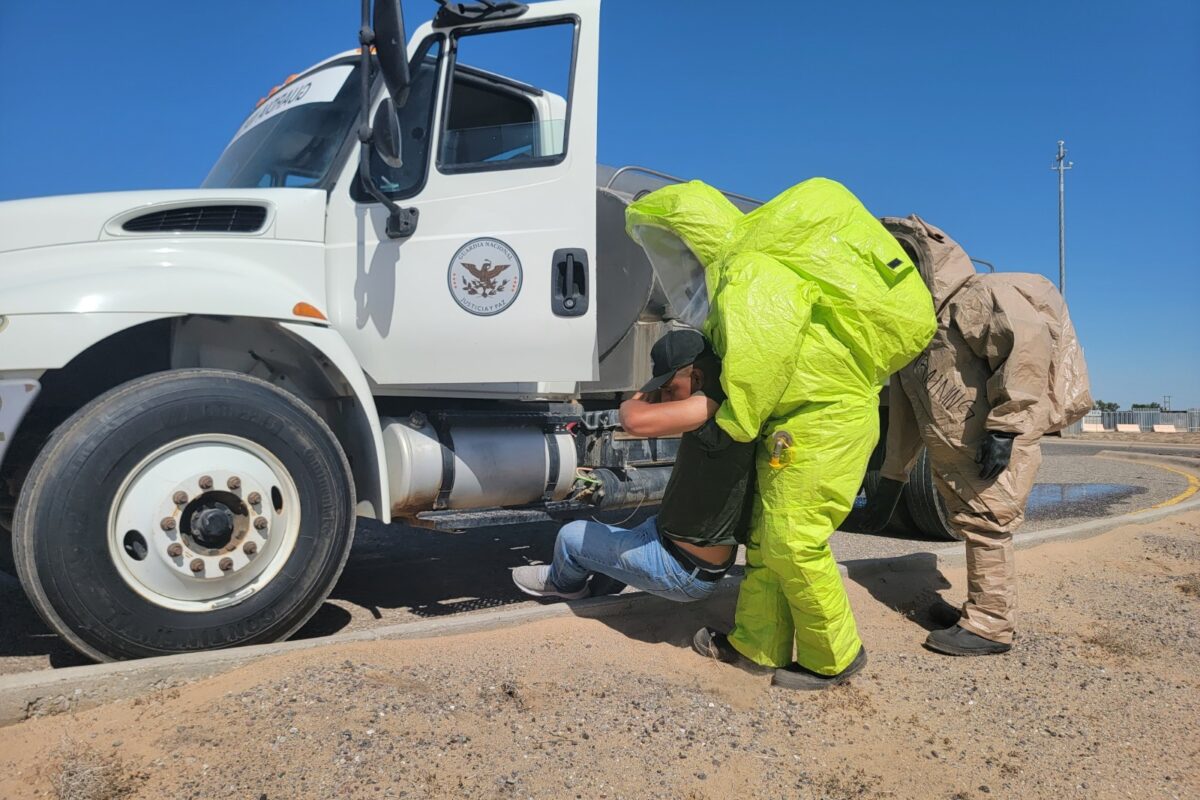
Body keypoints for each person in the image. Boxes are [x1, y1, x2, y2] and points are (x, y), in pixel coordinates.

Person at [625, 178, 937, 689]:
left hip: (823, 423)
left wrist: (735, 422)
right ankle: (756, 644)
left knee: (794, 541)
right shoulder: (746, 267)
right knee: (767, 542)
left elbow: (762, 352)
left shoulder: (746, 269)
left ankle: (834, 658)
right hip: (804, 423)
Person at [863, 215, 1091, 655]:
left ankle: (990, 626)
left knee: (988, 525)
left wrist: (1007, 427)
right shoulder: (918, 327)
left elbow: (1025, 348)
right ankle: (978, 607)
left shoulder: (978, 296)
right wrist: (893, 474)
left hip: (994, 440)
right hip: (962, 446)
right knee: (972, 523)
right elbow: (909, 408)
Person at [511, 329, 756, 604]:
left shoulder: (708, 407)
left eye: (668, 388)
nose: (663, 398)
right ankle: (605, 580)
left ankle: (563, 584)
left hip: (683, 571)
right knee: (621, 536)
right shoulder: (730, 402)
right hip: (675, 545)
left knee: (570, 538)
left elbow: (633, 421)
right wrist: (665, 390)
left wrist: (636, 398)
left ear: (697, 378)